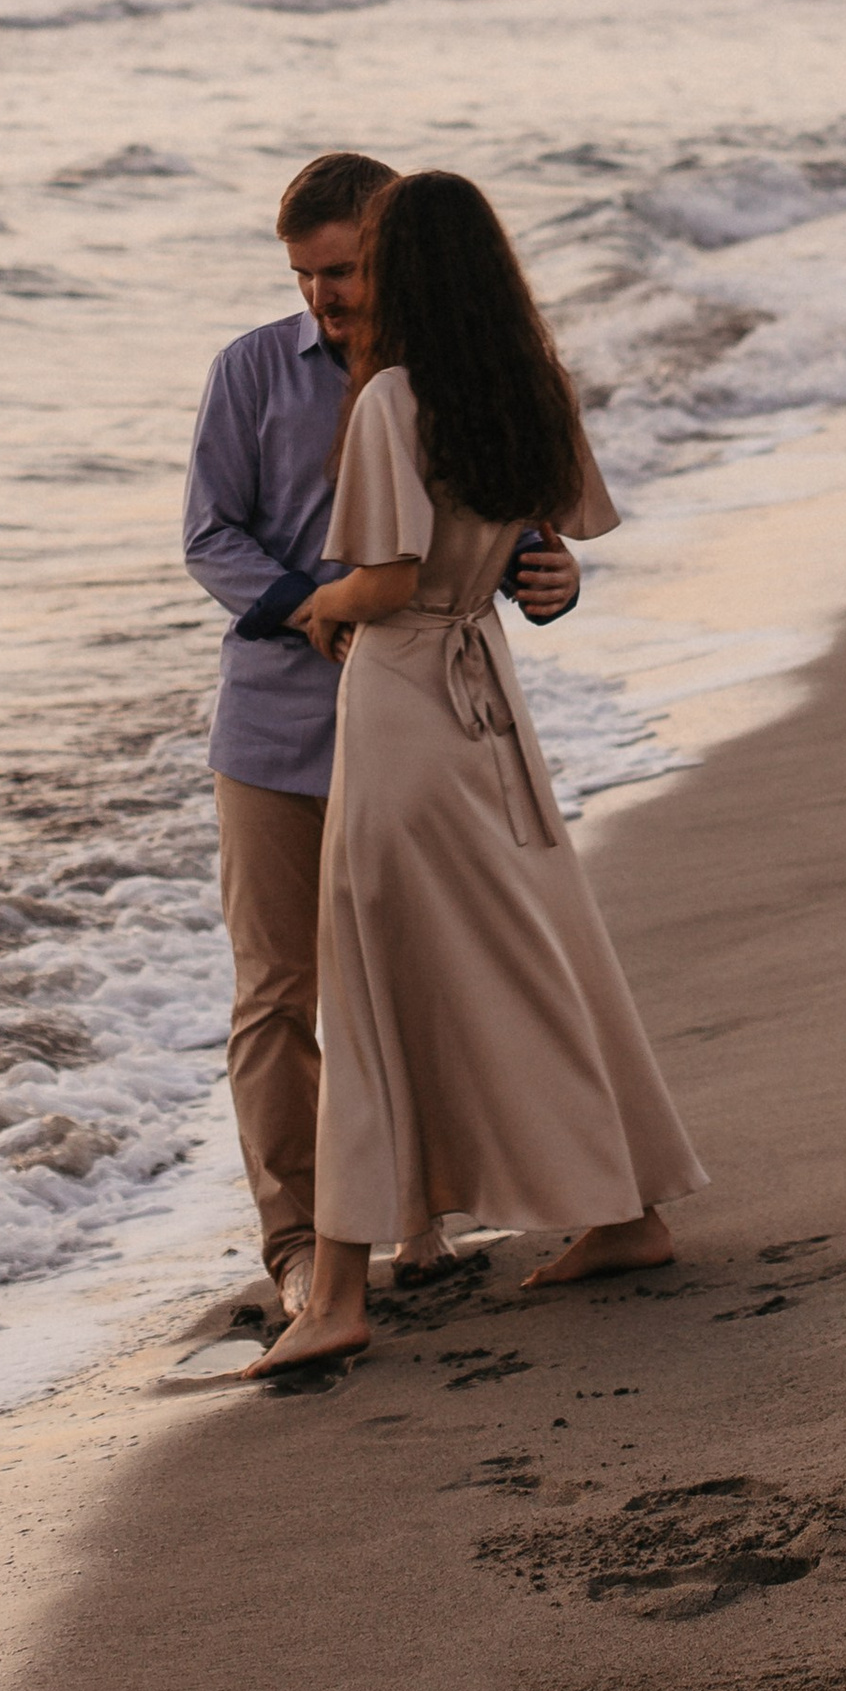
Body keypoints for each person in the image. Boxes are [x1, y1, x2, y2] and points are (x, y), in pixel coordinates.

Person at [246, 170, 706, 1381]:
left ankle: (340, 1291)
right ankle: (619, 1209)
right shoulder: (528, 383)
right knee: (533, 948)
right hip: (489, 702)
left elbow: (388, 582)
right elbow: (548, 539)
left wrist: (320, 605)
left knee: (372, 977)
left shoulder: (393, 399)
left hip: (403, 697)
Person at [183, 152, 581, 1315]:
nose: (324, 297)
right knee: (277, 993)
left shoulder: (455, 376)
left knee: (418, 977)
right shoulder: (252, 371)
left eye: (344, 270)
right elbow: (209, 535)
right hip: (275, 731)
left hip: (424, 731)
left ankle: (416, 1216)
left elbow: (509, 539)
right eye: (305, 276)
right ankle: (303, 1241)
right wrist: (319, 603)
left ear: (394, 249)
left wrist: (548, 578)